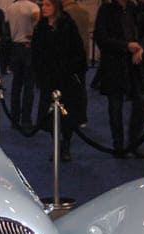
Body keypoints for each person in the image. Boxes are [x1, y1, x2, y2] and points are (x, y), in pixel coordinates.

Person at [32, 0, 88, 161]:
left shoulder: (67, 25)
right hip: (47, 79)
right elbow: (36, 52)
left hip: (66, 78)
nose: (44, 8)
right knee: (49, 116)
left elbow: (77, 50)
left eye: (47, 5)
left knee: (67, 115)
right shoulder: (41, 27)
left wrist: (74, 71)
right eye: (42, 5)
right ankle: (56, 144)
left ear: (56, 6)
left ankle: (66, 144)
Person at [94, 0, 144, 157]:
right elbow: (101, 38)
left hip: (135, 65)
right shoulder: (106, 10)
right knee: (115, 106)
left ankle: (134, 143)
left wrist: (141, 48)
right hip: (114, 66)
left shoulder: (136, 9)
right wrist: (126, 46)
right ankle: (118, 145)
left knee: (140, 102)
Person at [5, 0, 41, 127]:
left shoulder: (10, 8)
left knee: (16, 85)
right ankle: (26, 119)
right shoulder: (33, 7)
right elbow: (39, 21)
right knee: (29, 85)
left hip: (15, 47)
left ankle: (14, 119)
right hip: (28, 47)